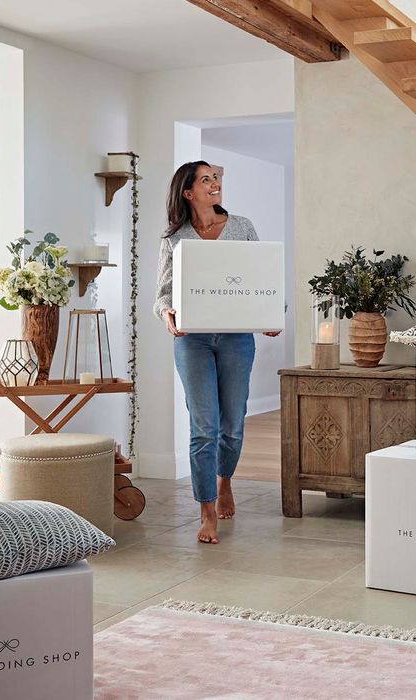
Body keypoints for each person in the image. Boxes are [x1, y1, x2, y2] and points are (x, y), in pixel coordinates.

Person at [154, 161, 281, 544]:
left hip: (236, 338)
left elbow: (263, 277)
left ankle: (225, 479)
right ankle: (206, 508)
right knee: (203, 427)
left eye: (216, 178)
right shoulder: (174, 238)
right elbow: (162, 292)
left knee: (233, 423)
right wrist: (167, 315)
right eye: (205, 180)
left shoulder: (241, 228)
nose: (214, 184)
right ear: (189, 192)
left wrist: (272, 314)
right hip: (192, 340)